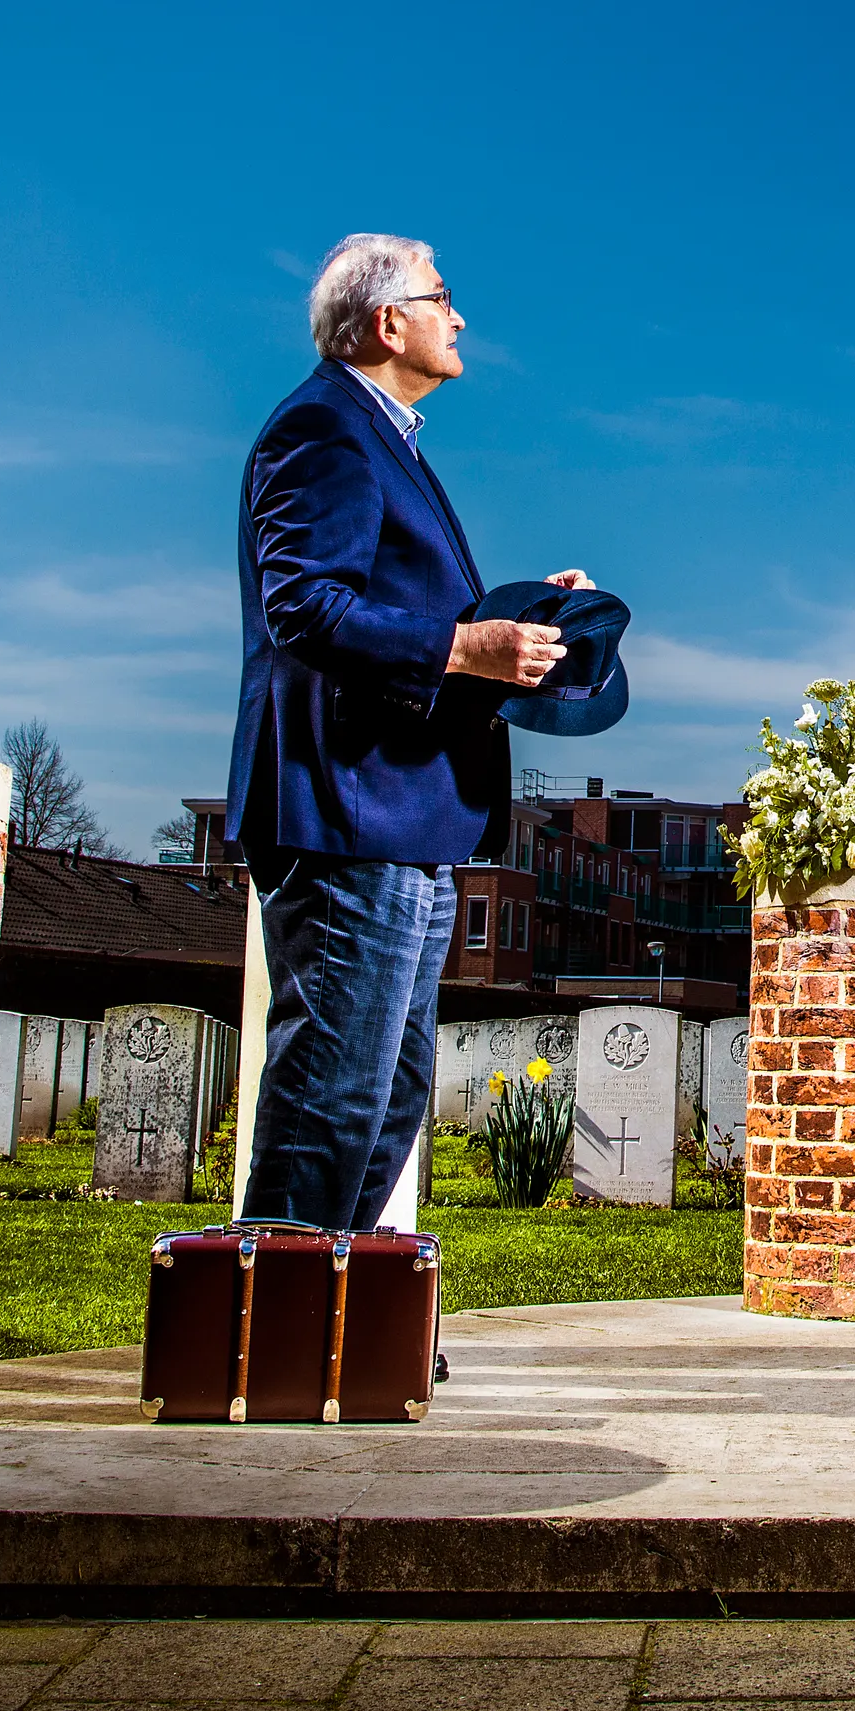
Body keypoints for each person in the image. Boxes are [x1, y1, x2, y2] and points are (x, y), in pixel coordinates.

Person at [227, 232, 587, 1229]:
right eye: (442, 297)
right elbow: (306, 606)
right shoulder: (324, 430)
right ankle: (272, 1343)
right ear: (387, 322)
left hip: (406, 816)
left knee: (387, 1090)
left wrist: (516, 616)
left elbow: (397, 601)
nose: (458, 316)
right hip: (348, 805)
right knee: (331, 1094)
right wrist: (471, 647)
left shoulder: (387, 437)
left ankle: (334, 1319)